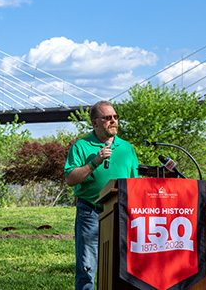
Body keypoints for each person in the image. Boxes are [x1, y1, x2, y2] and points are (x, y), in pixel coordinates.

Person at [64, 101, 139, 290]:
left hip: (121, 213)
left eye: (115, 117)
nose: (113, 121)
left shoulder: (127, 148)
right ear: (95, 123)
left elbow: (135, 183)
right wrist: (94, 163)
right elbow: (70, 179)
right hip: (91, 213)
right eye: (107, 118)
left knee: (123, 269)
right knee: (87, 270)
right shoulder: (81, 147)